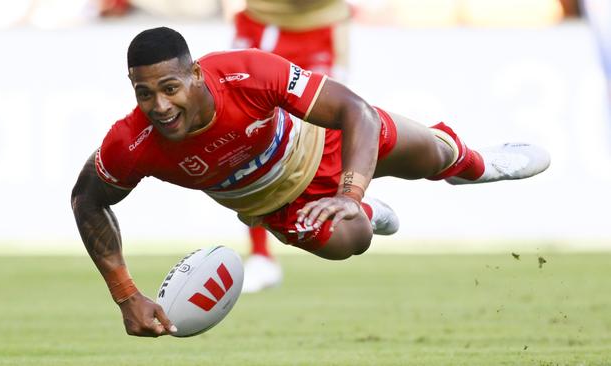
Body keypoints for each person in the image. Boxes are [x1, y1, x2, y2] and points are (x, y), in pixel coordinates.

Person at [71, 27, 550, 337]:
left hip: (328, 144)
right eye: (144, 93)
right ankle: (364, 215)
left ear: (195, 75)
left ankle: (477, 165)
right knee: (352, 240)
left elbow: (353, 110)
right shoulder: (131, 142)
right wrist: (126, 294)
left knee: (433, 154)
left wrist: (350, 190)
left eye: (169, 88)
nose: (159, 106)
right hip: (281, 205)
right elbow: (86, 200)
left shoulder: (247, 72)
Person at [227, 0, 352, 293]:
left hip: (322, 23)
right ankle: (260, 254)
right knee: (249, 135)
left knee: (329, 127)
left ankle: (355, 202)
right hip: (265, 22)